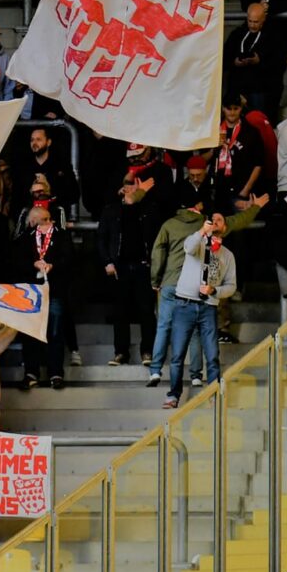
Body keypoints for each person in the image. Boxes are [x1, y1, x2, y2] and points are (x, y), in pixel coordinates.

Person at [163, 213, 236, 409]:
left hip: (208, 306)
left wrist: (215, 291)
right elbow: (188, 247)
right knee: (178, 354)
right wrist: (203, 231)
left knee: (212, 354)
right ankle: (173, 395)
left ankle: (213, 395)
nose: (215, 223)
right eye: (212, 219)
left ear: (225, 228)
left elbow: (231, 286)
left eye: (220, 220)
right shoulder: (199, 243)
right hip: (184, 303)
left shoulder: (227, 255)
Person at [97, 165, 167, 366]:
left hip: (144, 266)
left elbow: (159, 240)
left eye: (133, 184)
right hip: (120, 267)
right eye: (126, 184)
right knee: (120, 312)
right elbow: (101, 238)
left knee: (147, 311)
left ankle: (148, 352)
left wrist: (157, 267)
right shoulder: (112, 209)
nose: (129, 188)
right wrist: (107, 262)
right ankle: (121, 353)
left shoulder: (150, 208)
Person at [14, 202, 74, 389]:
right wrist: (34, 264)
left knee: (54, 332)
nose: (47, 223)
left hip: (54, 290)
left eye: (47, 220)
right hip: (31, 292)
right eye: (43, 221)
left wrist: (52, 265)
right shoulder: (25, 238)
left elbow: (69, 258)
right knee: (30, 332)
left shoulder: (61, 235)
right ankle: (31, 373)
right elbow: (16, 261)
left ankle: (55, 373)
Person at [222, 2, 284, 118]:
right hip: (238, 86)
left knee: (258, 119)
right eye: (250, 21)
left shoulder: (273, 37)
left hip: (260, 87)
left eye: (256, 22)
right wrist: (234, 62)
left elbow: (278, 63)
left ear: (263, 19)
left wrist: (259, 61)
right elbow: (225, 57)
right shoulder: (237, 35)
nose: (252, 25)